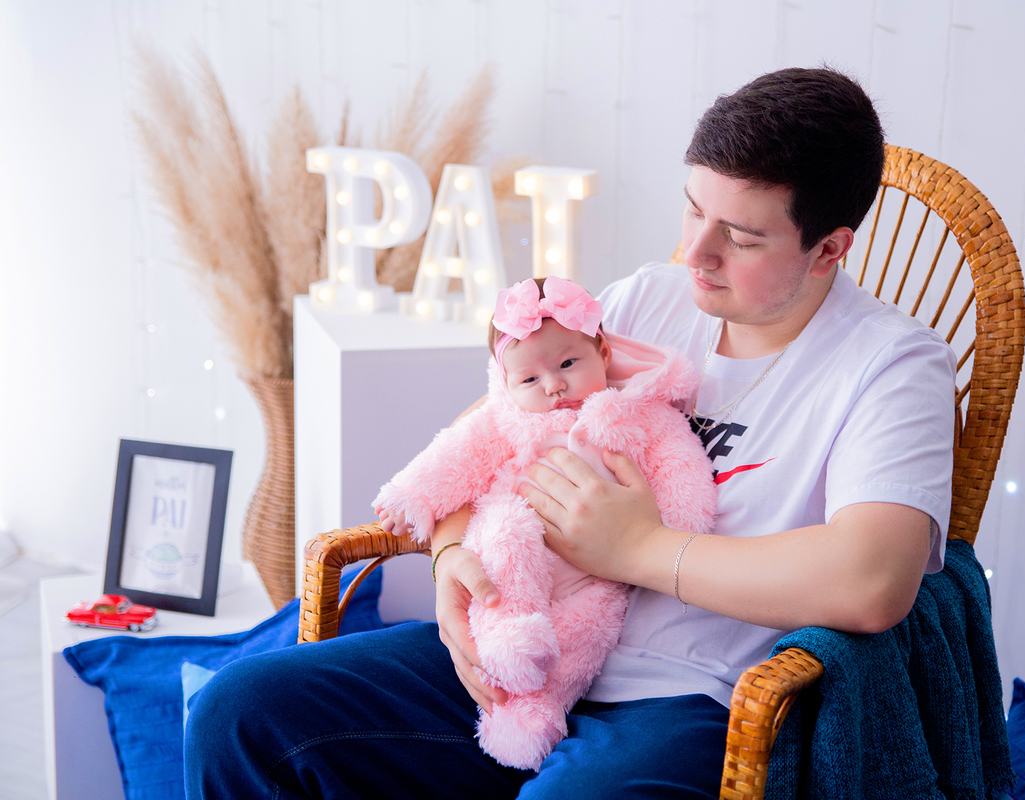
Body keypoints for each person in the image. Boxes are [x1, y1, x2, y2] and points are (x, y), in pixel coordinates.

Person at [184, 66, 955, 799]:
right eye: (692, 208)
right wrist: (453, 555)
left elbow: (872, 581)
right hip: (520, 647)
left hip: (684, 701)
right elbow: (490, 428)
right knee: (240, 713)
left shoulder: (890, 364)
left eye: (742, 238)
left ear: (829, 248)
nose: (696, 252)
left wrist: (640, 550)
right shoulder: (650, 300)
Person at [370, 275, 716, 770]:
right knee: (507, 537)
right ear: (508, 383)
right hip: (518, 544)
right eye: (530, 380)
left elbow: (679, 468)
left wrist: (671, 532)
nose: (554, 386)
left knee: (588, 626)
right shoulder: (512, 417)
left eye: (569, 364)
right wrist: (414, 496)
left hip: (603, 576)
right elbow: (463, 450)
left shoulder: (638, 413)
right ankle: (506, 643)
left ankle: (533, 711)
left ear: (602, 350)